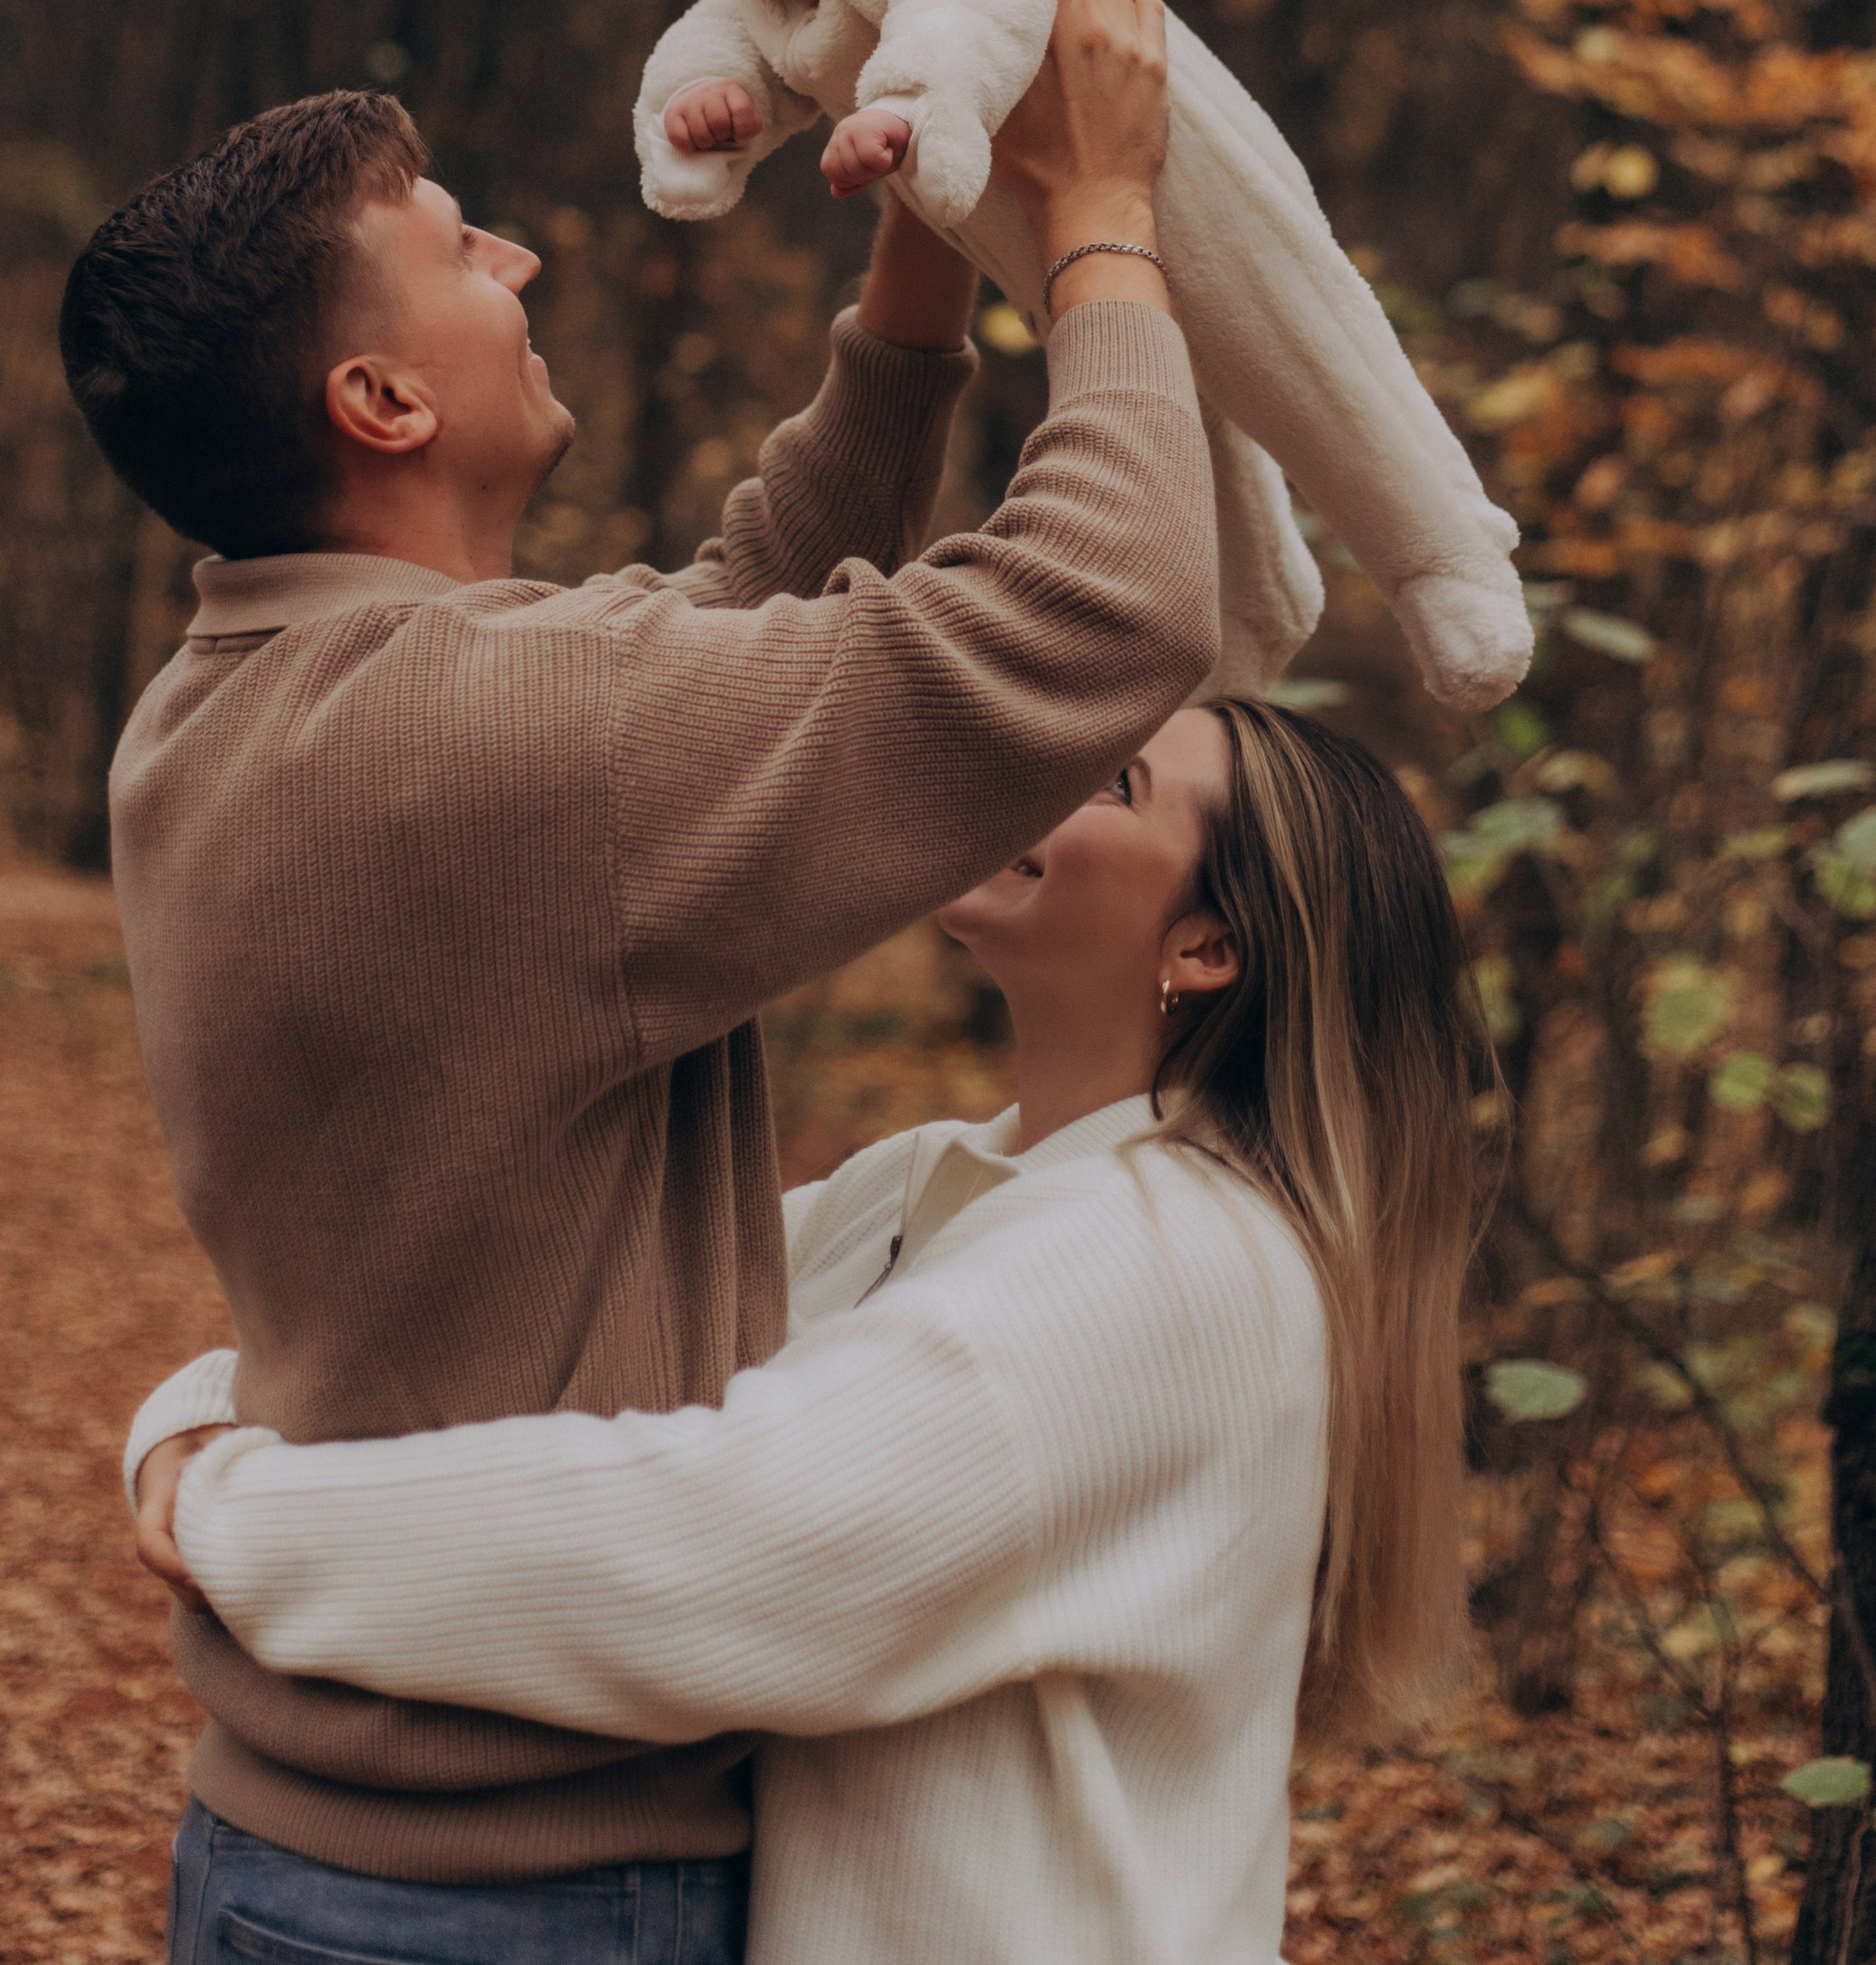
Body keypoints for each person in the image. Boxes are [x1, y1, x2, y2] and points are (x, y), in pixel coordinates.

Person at [61, 0, 1215, 1961]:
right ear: (383, 393)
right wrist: (1097, 218)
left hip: (310, 1844)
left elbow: (699, 651)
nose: (519, 260)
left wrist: (929, 249)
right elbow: (1105, 609)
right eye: (458, 248)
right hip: (518, 1889)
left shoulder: (239, 694)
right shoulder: (502, 743)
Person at [131, 698, 1497, 1965]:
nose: (1031, 767)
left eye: (1109, 778)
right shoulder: (947, 1184)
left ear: (1207, 946)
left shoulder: (1161, 1263)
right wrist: (208, 1406)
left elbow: (726, 1547)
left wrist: (242, 1515)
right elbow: (594, 1305)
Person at [637, 0, 1534, 713]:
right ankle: (1245, 618)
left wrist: (915, 104)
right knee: (1171, 415)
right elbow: (723, 29)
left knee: (1301, 355)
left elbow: (971, 0)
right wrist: (705, 106)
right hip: (1050, 226)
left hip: (1175, 175)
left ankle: (1444, 555)